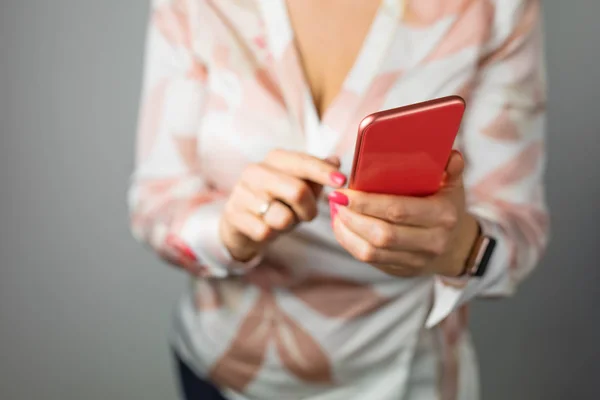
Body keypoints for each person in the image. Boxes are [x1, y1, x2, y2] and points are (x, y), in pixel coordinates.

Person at [128, 0, 548, 399]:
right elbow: (155, 204)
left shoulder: (490, 9)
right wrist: (228, 232)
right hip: (225, 373)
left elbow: (520, 229)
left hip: (407, 378)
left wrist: (460, 247)